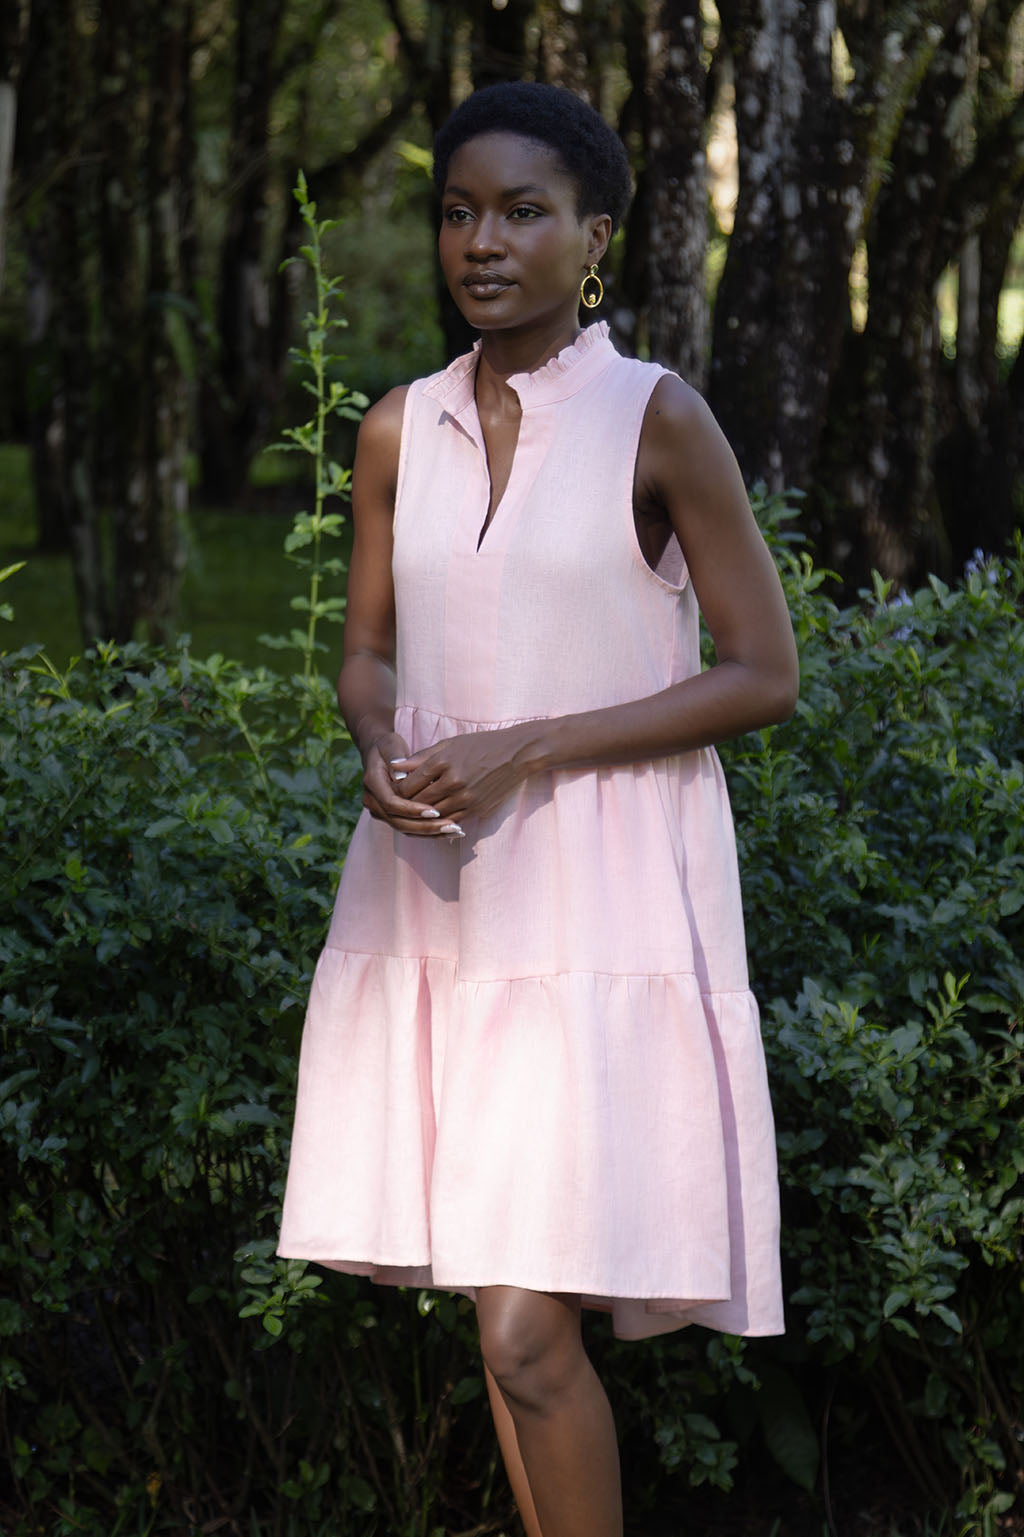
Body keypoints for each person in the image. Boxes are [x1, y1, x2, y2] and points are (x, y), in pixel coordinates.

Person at [278, 80, 799, 1537]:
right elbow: (367, 649)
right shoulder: (397, 429)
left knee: (518, 1324)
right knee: (496, 1318)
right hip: (437, 886)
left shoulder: (658, 418)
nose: (483, 242)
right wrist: (381, 734)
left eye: (523, 211)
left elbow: (767, 673)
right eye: (459, 212)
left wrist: (530, 748)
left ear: (595, 239)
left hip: (604, 896)